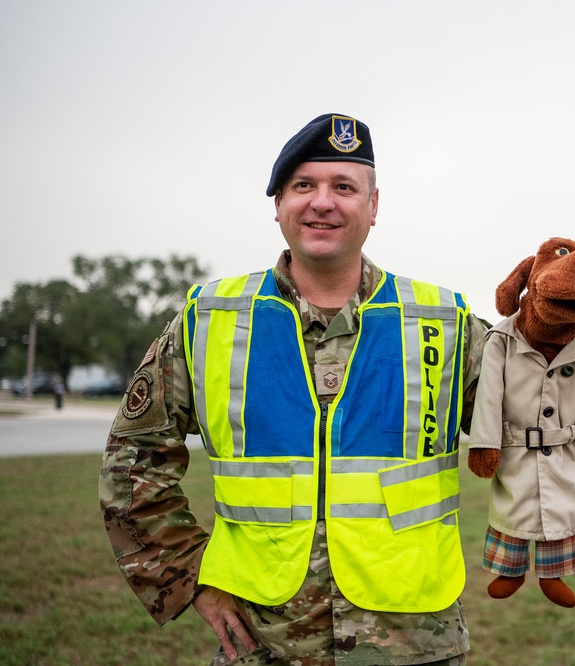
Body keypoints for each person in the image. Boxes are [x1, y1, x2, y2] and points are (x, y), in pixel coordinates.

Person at [99, 113, 487, 665]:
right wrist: (188, 579)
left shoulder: (443, 322)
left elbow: (534, 416)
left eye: (344, 187)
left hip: (413, 644)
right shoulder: (209, 319)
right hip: (265, 644)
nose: (322, 203)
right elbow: (131, 461)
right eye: (303, 185)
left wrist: (558, 329)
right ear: (278, 204)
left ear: (373, 207)